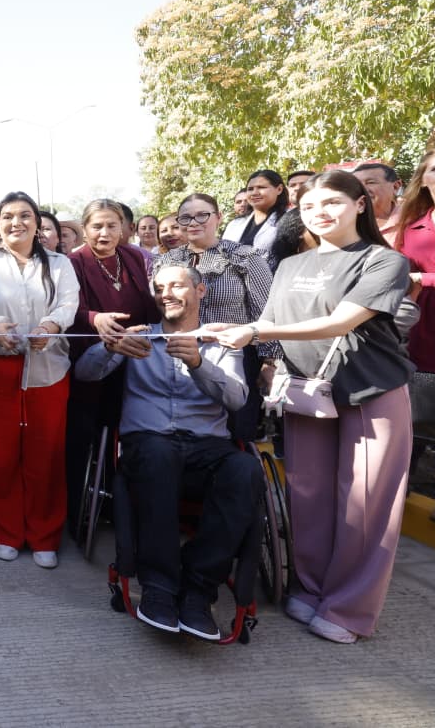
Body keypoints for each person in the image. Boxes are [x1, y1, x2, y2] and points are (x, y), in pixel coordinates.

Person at [208, 169, 414, 644]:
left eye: (331, 202)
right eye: (309, 206)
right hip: (306, 391)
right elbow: (269, 319)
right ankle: (312, 588)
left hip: (371, 390)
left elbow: (340, 322)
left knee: (365, 506)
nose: (320, 213)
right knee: (309, 498)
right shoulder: (290, 266)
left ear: (359, 205)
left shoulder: (383, 260)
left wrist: (256, 332)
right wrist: (246, 341)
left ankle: (349, 609)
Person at [76, 265, 260, 641]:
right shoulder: (139, 336)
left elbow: (237, 399)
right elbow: (85, 373)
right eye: (159, 288)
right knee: (159, 454)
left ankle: (198, 588)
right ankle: (159, 586)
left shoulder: (219, 340)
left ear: (201, 291)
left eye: (176, 285)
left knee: (245, 470)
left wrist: (198, 364)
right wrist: (108, 347)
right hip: (149, 444)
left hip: (207, 448)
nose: (166, 294)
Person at [0, 192, 79, 566]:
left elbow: (68, 305)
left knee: (46, 453)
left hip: (48, 368)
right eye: (8, 216)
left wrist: (51, 326)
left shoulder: (59, 263)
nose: (17, 223)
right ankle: (5, 531)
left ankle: (45, 535)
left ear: (37, 223)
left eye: (25, 215)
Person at [65, 199, 161, 523]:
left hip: (136, 359)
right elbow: (68, 310)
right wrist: (95, 318)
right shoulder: (73, 262)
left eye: (111, 226)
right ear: (85, 229)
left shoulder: (133, 256)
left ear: (123, 229)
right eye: (97, 226)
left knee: (127, 434)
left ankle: (119, 506)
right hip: (91, 360)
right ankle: (80, 513)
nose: (104, 233)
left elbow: (150, 305)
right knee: (86, 436)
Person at [157, 193, 278, 444]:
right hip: (180, 354)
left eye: (202, 215)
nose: (193, 223)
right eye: (186, 218)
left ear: (219, 217)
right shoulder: (166, 261)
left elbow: (267, 312)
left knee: (235, 434)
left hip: (235, 356)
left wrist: (269, 361)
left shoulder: (245, 256)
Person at [395, 146, 435, 523]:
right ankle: (399, 487)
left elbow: (415, 278)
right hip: (423, 335)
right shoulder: (410, 230)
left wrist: (424, 279)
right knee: (416, 415)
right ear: (424, 180)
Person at [223, 169, 289, 261]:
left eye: (261, 187)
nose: (254, 193)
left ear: (279, 189)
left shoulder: (289, 220)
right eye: (250, 189)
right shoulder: (235, 224)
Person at [353, 162, 402, 246]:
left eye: (370, 182)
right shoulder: (344, 223)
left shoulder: (413, 219)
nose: (362, 189)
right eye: (356, 184)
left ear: (395, 187)